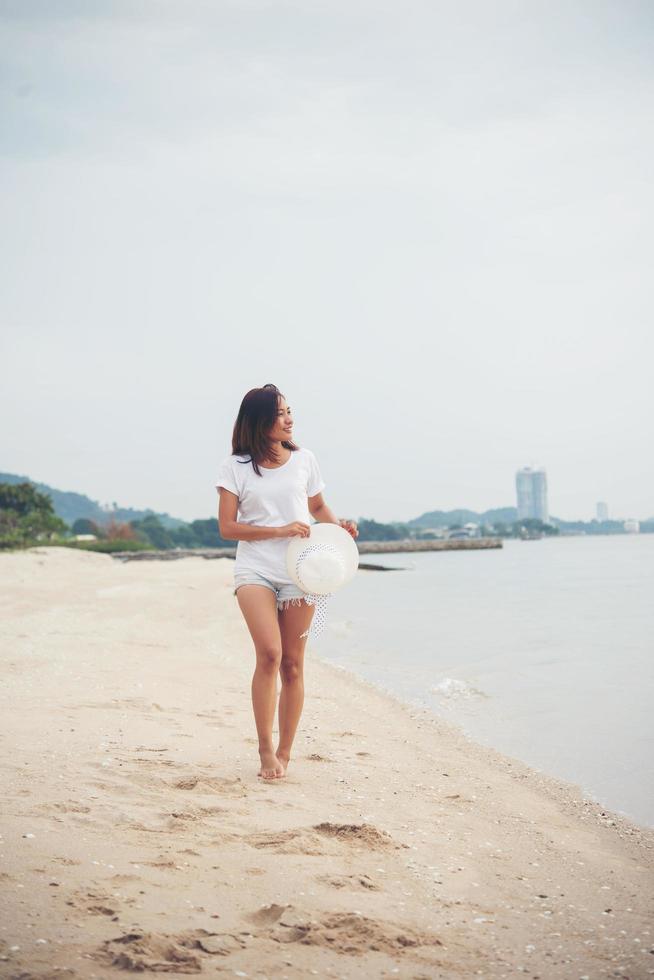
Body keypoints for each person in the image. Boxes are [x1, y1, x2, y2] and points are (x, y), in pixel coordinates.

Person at [215, 383, 358, 781]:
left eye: (289, 411)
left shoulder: (305, 459)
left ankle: (285, 753)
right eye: (280, 413)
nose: (289, 419)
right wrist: (278, 531)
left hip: (303, 571)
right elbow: (227, 528)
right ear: (259, 421)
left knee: (294, 666)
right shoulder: (235, 467)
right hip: (255, 570)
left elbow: (316, 507)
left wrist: (339, 528)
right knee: (270, 655)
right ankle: (264, 749)